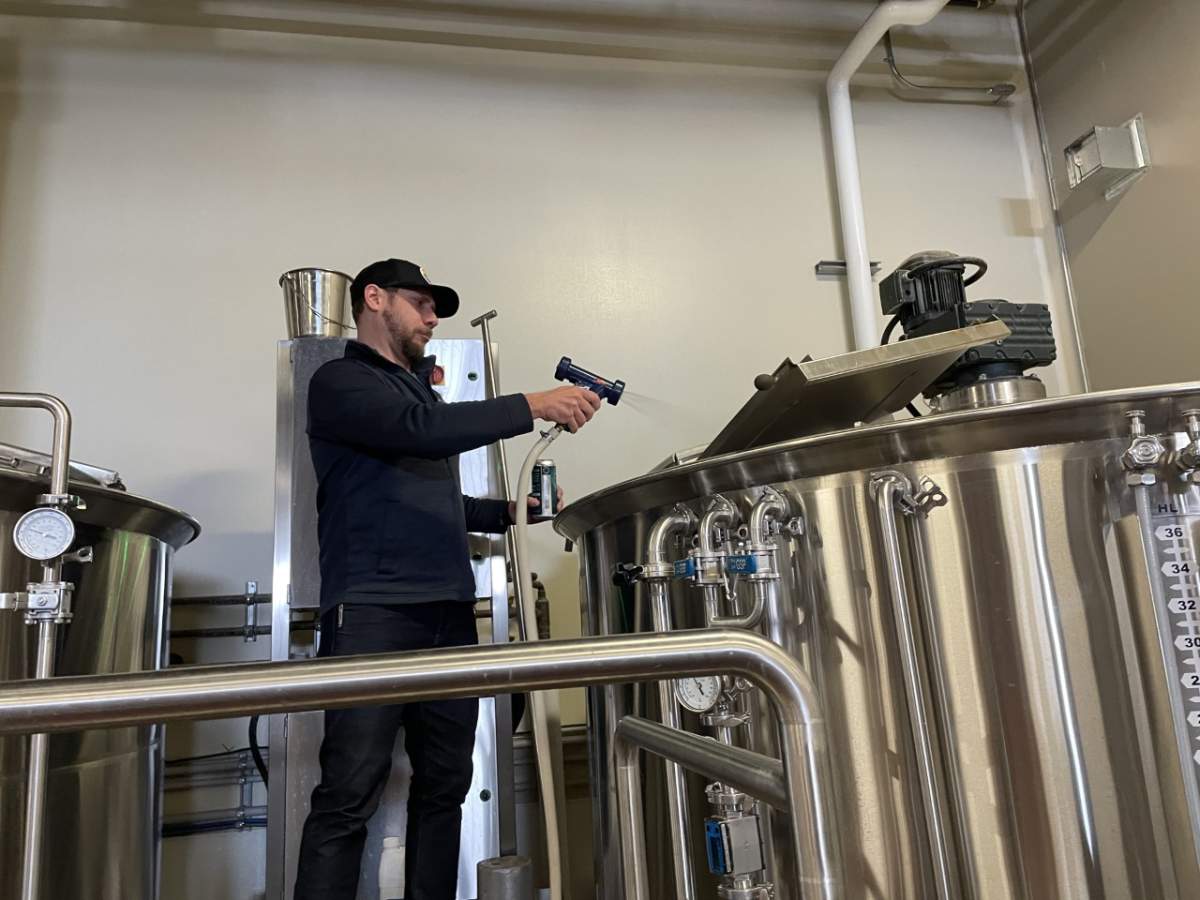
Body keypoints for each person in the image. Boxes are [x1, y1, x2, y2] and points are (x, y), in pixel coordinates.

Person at [294, 258, 600, 900]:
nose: (432, 318)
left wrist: (510, 512)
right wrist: (532, 404)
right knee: (348, 793)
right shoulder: (341, 381)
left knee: (444, 788)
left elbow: (440, 499)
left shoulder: (419, 394)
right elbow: (422, 433)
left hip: (448, 615)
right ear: (374, 298)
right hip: (374, 614)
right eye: (422, 303)